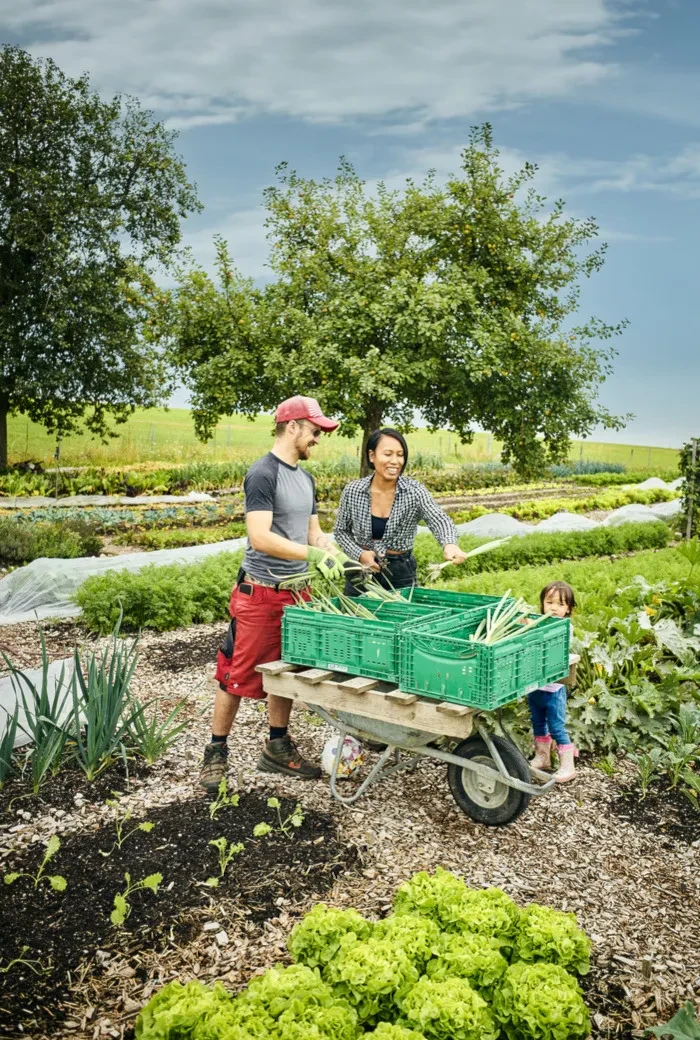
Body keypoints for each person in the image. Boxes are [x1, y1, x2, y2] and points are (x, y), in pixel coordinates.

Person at [199, 396, 351, 792]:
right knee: (234, 673)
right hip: (261, 593)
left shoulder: (305, 478)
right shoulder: (263, 474)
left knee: (287, 671)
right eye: (315, 431)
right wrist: (311, 552)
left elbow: (312, 531)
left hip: (298, 594)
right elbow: (260, 537)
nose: (318, 438)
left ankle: (277, 747)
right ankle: (216, 753)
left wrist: (328, 548)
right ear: (294, 426)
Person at [333, 428, 467, 595]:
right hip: (361, 569)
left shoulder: (414, 491)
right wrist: (359, 554)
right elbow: (341, 531)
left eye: (400, 455)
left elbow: (438, 519)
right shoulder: (353, 491)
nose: (395, 461)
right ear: (372, 456)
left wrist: (450, 544)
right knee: (355, 618)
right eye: (388, 454)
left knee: (402, 618)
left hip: (400, 571)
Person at [528, 581, 578, 783]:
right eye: (549, 603)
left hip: (553, 689)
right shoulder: (538, 623)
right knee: (538, 722)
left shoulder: (565, 628)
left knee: (557, 727)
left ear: (568, 609)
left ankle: (568, 766)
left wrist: (535, 633)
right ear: (542, 604)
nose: (554, 608)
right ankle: (542, 758)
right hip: (535, 686)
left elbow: (551, 647)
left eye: (560, 604)